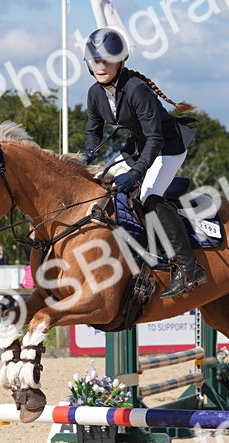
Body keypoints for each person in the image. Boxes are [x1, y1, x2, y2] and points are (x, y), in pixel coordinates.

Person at [81, 27, 205, 299]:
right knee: (99, 184)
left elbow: (155, 137)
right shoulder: (95, 93)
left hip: (167, 147)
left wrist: (136, 173)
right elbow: (93, 132)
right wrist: (87, 155)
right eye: (95, 61)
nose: (100, 66)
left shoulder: (136, 90)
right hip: (139, 147)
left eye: (106, 61)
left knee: (148, 195)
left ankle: (189, 268)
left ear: (120, 61)